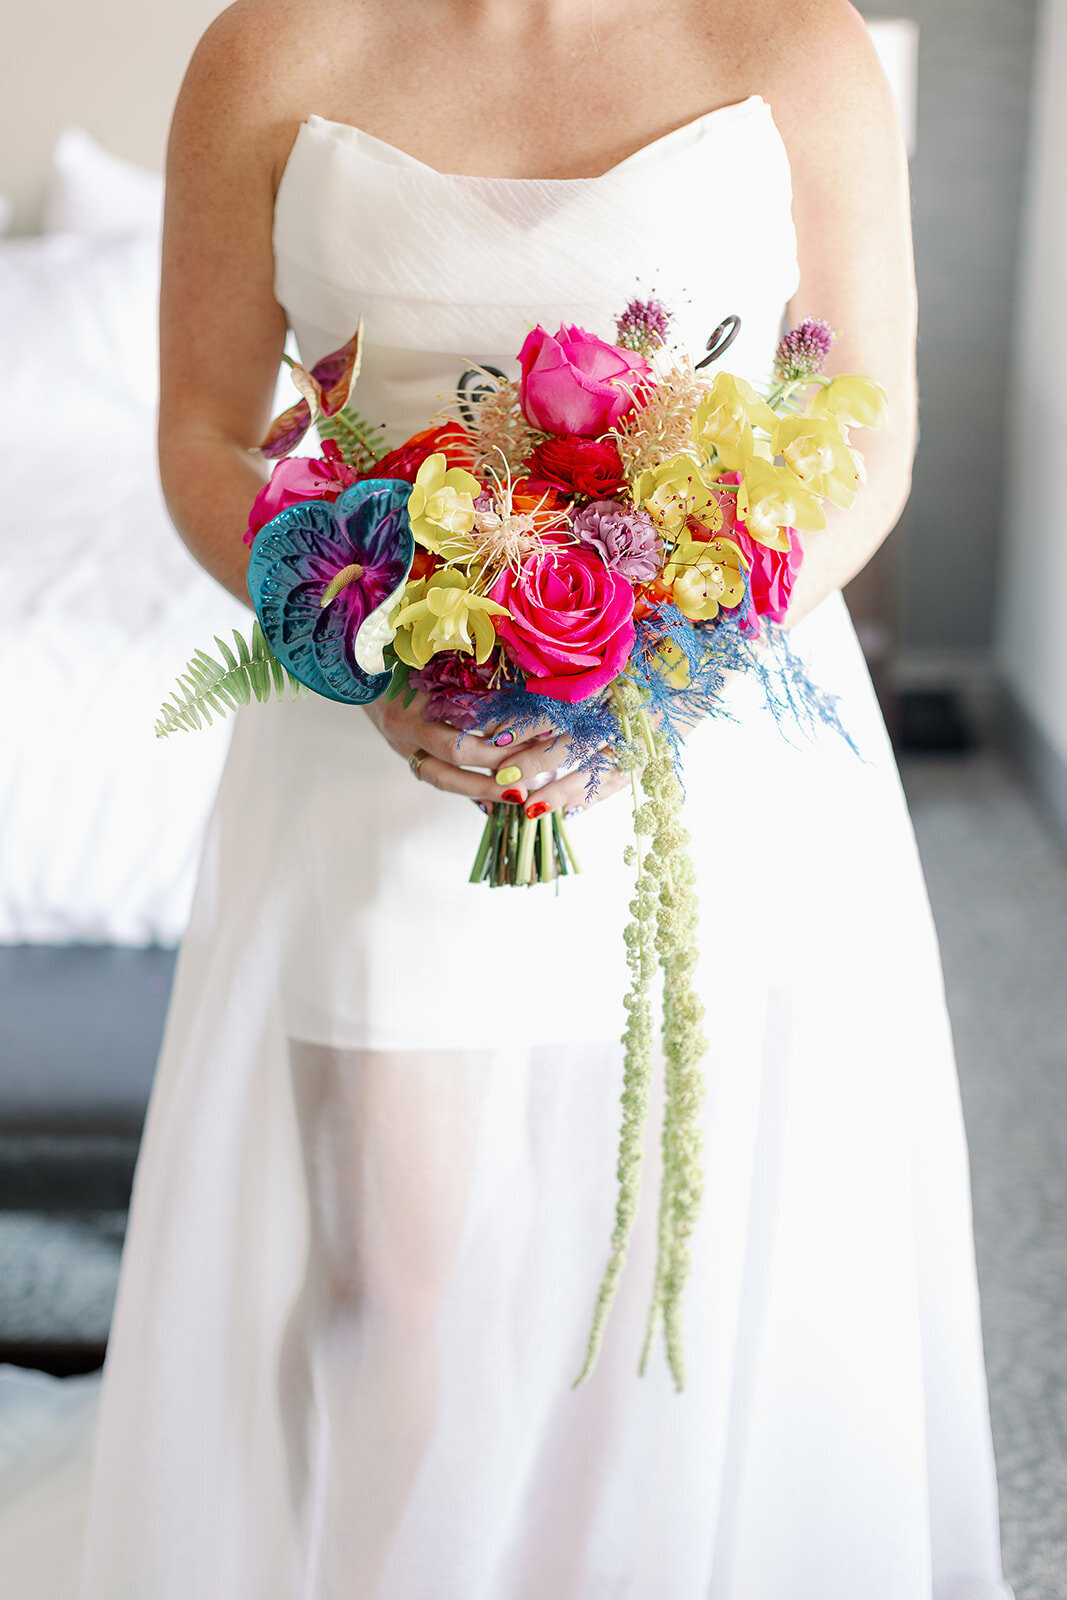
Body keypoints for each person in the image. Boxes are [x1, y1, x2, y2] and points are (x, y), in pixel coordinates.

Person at [67, 0, 1010, 1595]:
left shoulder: (798, 43)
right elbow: (205, 431)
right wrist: (365, 645)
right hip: (377, 747)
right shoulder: (266, 51)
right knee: (383, 1291)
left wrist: (675, 653)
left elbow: (870, 425)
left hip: (711, 749)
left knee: (672, 1278)